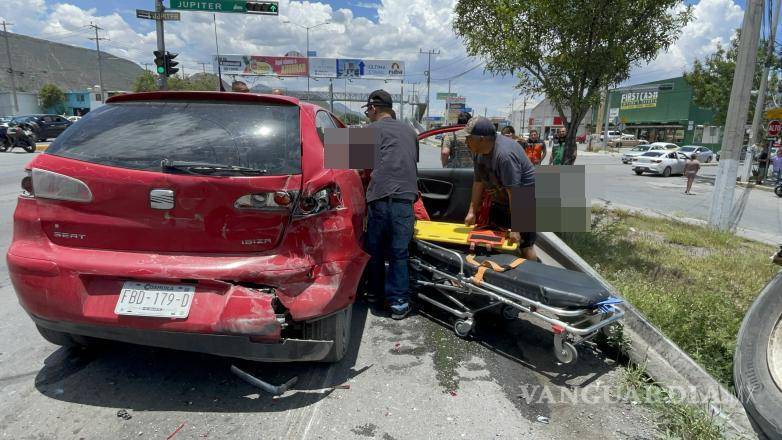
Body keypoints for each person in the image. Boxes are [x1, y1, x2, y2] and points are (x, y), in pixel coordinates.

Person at [362, 90, 419, 320]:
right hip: (405, 199)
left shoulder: (370, 130)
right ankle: (399, 303)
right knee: (399, 253)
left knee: (374, 251)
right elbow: (407, 162)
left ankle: (374, 296)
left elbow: (341, 165)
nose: (367, 114)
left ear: (373, 108)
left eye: (367, 110)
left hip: (380, 197)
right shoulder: (411, 131)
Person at [463, 117, 539, 261]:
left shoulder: (504, 155)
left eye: (468, 138)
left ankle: (533, 273)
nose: (465, 141)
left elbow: (514, 193)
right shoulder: (477, 151)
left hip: (524, 200)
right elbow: (478, 181)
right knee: (497, 240)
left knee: (525, 246)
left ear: (481, 139)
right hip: (501, 199)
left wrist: (516, 228)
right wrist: (472, 211)